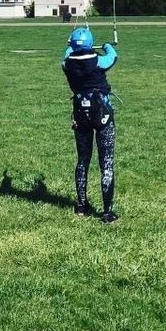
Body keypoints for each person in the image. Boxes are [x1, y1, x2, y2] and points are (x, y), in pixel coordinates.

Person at [61, 26, 119, 223]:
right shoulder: (98, 62)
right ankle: (107, 212)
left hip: (81, 116)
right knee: (107, 162)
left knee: (83, 160)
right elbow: (112, 55)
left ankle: (81, 206)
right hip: (103, 116)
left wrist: (71, 45)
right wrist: (106, 45)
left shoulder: (67, 64)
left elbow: (67, 53)